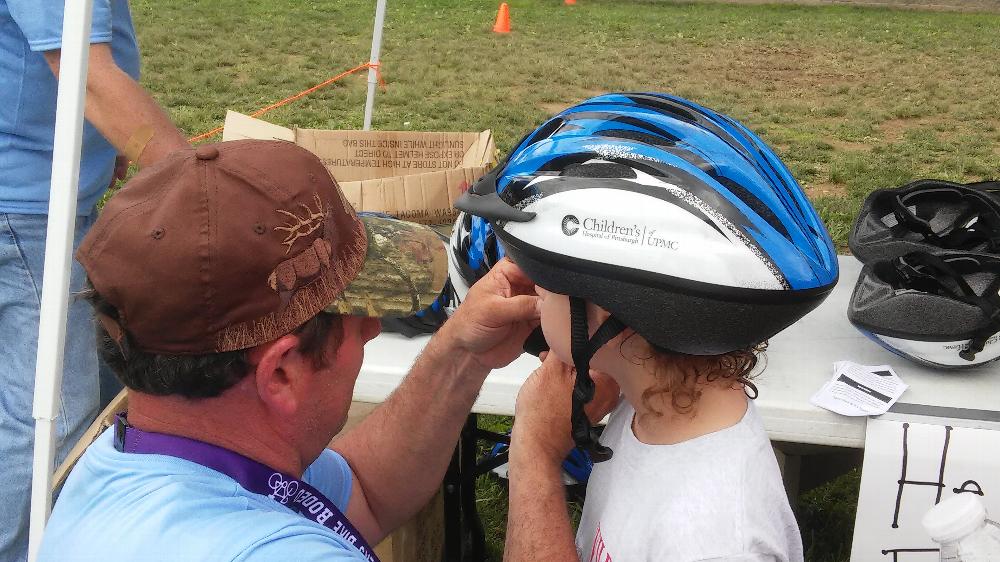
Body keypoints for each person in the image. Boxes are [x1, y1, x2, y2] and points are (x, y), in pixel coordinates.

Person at [36, 139, 541, 561]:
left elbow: (360, 493)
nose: (370, 332)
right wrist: (536, 452)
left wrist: (462, 355)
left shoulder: (131, 463)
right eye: (357, 314)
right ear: (280, 372)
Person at [455, 92, 840, 561]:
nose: (532, 297)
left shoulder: (711, 540)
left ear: (606, 312)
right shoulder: (650, 409)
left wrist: (533, 452)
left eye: (543, 283)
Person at [1, 1, 187, 558]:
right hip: (29, 209)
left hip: (35, 196)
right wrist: (202, 188)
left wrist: (104, 144)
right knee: (49, 417)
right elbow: (87, 76)